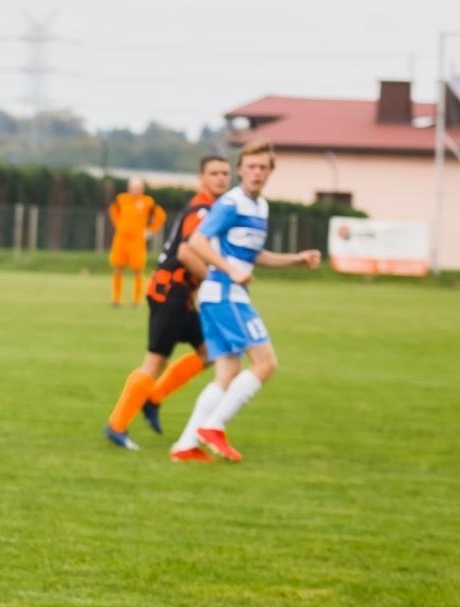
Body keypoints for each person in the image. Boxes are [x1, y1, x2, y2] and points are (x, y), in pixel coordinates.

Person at [169, 140, 320, 462]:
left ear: (270, 172)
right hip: (224, 294)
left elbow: (254, 255)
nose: (256, 173)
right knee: (265, 363)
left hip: (227, 294)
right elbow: (196, 241)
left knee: (227, 373)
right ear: (241, 170)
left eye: (263, 167)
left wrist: (296, 259)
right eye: (251, 167)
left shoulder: (260, 207)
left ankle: (185, 446)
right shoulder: (230, 203)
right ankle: (214, 426)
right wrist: (229, 270)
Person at [102, 156, 232, 450]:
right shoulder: (201, 211)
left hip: (183, 295)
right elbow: (187, 254)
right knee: (155, 361)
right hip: (169, 292)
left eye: (226, 173)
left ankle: (153, 398)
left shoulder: (213, 209)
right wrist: (223, 279)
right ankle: (116, 425)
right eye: (215, 173)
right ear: (202, 178)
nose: (222, 178)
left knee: (210, 351)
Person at [108, 177, 166, 309]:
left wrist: (150, 230)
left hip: (137, 240)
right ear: (129, 188)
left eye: (138, 188)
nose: (135, 190)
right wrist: (118, 224)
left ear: (142, 189)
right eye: (133, 188)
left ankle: (137, 300)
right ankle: (116, 299)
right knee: (117, 267)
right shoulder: (121, 199)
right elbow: (113, 210)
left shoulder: (148, 202)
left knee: (138, 270)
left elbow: (161, 215)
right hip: (121, 239)